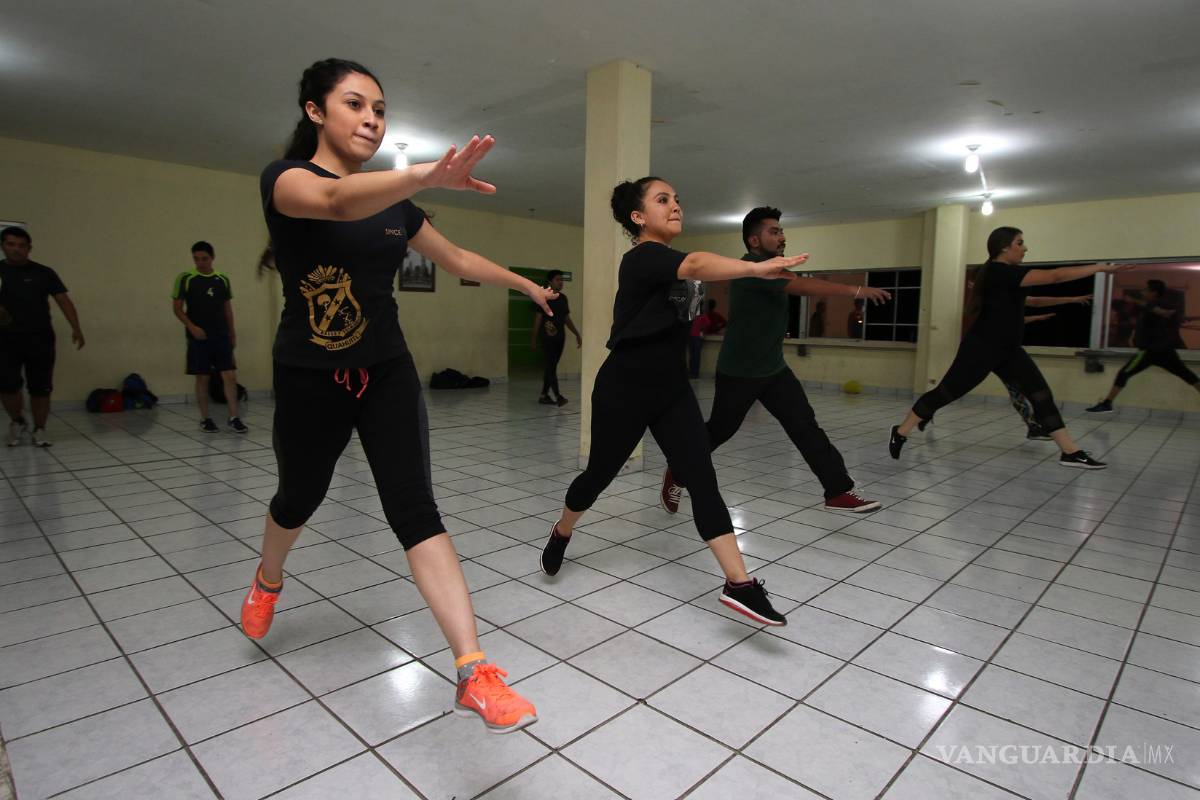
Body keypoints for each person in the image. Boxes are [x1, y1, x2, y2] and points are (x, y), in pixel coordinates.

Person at [245, 58, 552, 733]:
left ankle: (474, 671)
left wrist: (528, 285)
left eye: (379, 109)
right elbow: (331, 202)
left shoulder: (395, 205)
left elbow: (459, 259)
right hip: (309, 376)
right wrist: (426, 173)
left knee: (416, 509)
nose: (372, 119)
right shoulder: (286, 181)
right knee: (298, 497)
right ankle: (268, 579)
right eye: (355, 104)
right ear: (315, 112)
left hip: (385, 370)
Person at [539, 178, 807, 627]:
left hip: (672, 388)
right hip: (625, 386)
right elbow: (698, 262)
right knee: (598, 476)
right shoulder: (642, 257)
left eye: (678, 199)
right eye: (663, 200)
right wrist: (755, 268)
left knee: (702, 476)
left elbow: (692, 281)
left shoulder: (679, 265)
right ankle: (562, 529)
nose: (676, 206)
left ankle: (739, 584)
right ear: (638, 217)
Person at [661, 206, 887, 516]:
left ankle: (837, 490)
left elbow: (793, 281)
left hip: (773, 368)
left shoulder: (771, 269)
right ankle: (679, 470)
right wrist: (856, 289)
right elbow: (802, 286)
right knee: (719, 431)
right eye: (773, 231)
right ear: (754, 241)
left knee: (805, 425)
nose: (781, 236)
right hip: (740, 371)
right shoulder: (750, 270)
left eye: (781, 231)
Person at [889, 226, 1130, 469]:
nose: (1025, 248)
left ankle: (1070, 451)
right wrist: (1099, 268)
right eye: (1020, 243)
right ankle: (900, 431)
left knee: (1040, 394)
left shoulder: (1009, 275)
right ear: (1004, 247)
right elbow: (1055, 276)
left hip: (1009, 350)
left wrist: (1071, 299)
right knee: (947, 392)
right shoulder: (998, 272)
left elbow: (1033, 300)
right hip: (982, 347)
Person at [1, 226, 85, 447]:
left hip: (40, 338)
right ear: (3, 246)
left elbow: (63, 300)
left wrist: (76, 328)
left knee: (41, 386)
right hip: (5, 339)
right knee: (8, 386)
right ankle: (17, 421)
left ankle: (40, 428)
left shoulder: (44, 273)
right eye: (11, 244)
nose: (16, 250)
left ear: (29, 248)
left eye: (21, 245)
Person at [1087, 279, 1200, 412]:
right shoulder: (1151, 307)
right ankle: (1107, 403)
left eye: (1146, 290)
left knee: (1124, 373)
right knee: (1188, 376)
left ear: (1154, 292)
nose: (1142, 292)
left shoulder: (1160, 306)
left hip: (1149, 351)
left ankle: (1107, 403)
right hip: (1163, 351)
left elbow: (1162, 312)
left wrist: (1135, 302)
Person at [171, 241, 248, 434]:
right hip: (199, 337)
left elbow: (227, 308)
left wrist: (232, 332)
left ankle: (234, 417)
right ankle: (205, 419)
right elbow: (177, 309)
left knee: (229, 375)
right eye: (196, 259)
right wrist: (192, 327)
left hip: (221, 335)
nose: (200, 262)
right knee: (203, 377)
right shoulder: (186, 278)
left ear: (212, 258)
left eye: (204, 258)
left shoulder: (222, 279)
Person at [531, 269, 581, 405]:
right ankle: (558, 396)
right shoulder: (543, 297)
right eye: (558, 280)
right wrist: (534, 339)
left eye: (562, 280)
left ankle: (543, 395)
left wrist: (576, 333)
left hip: (560, 337)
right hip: (547, 338)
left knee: (551, 366)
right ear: (550, 282)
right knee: (551, 366)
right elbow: (538, 320)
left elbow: (566, 318)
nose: (561, 282)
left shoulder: (563, 298)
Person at [687, 299, 725, 378]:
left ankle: (695, 373)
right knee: (692, 355)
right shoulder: (692, 314)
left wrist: (702, 330)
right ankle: (691, 372)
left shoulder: (702, 314)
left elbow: (707, 324)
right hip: (691, 336)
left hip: (697, 337)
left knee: (696, 356)